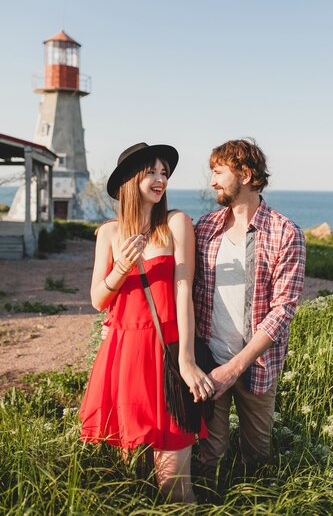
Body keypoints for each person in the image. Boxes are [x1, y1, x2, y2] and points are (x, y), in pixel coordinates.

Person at [80, 142, 214, 504]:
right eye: (152, 171)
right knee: (131, 474)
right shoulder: (108, 233)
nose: (160, 179)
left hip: (168, 352)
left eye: (164, 173)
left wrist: (187, 360)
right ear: (129, 179)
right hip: (125, 356)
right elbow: (97, 300)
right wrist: (121, 268)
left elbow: (183, 290)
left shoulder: (175, 223)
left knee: (172, 481)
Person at [193, 138, 306, 486]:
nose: (212, 181)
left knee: (257, 457)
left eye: (218, 172)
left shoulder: (287, 234)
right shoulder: (204, 228)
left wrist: (235, 367)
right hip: (208, 363)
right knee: (208, 456)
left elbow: (283, 311)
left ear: (245, 173)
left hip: (256, 366)